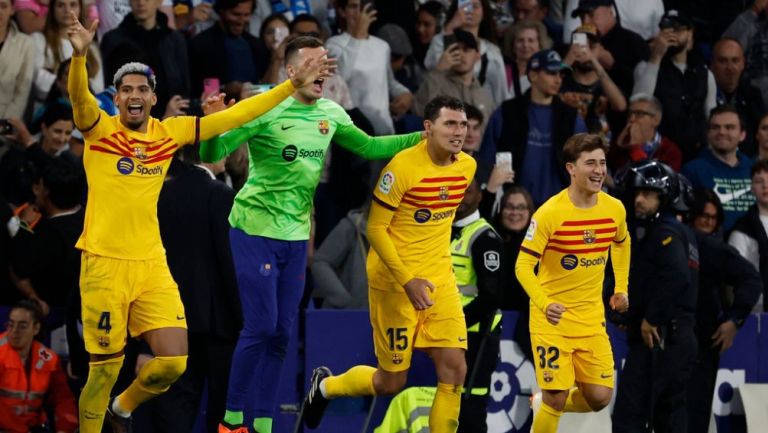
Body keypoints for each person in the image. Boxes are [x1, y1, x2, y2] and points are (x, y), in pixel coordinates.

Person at [65, 13, 331, 433]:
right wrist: (80, 56)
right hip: (103, 264)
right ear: (116, 98)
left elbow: (235, 117)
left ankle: (122, 408)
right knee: (103, 369)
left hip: (151, 264)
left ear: (154, 98)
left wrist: (289, 87)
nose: (134, 96)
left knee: (173, 360)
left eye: (142, 89)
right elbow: (79, 100)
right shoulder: (99, 131)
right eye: (126, 90)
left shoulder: (167, 134)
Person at [199, 36, 423, 433]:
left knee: (283, 332)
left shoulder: (331, 113)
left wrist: (421, 139)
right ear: (290, 71)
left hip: (296, 233)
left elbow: (370, 147)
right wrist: (214, 122)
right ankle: (232, 420)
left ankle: (265, 424)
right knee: (262, 326)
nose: (324, 70)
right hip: (253, 228)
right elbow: (210, 155)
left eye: (327, 62)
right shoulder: (266, 108)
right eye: (315, 62)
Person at [300, 96, 476, 433]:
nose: (458, 132)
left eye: (463, 124)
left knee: (454, 369)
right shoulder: (400, 169)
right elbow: (374, 228)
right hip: (395, 284)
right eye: (450, 124)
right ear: (428, 128)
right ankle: (325, 388)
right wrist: (408, 280)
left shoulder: (466, 166)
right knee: (390, 382)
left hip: (438, 279)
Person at [515, 133, 630, 433]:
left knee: (599, 397)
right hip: (551, 320)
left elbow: (621, 242)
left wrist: (621, 287)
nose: (598, 170)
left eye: (602, 163)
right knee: (556, 396)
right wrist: (544, 303)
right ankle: (548, 404)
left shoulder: (614, 209)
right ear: (571, 168)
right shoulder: (550, 213)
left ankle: (543, 403)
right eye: (589, 163)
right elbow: (523, 265)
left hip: (591, 320)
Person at [612, 161, 698, 433]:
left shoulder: (665, 232)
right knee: (668, 417)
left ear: (664, 198)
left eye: (648, 194)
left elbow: (676, 277)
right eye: (637, 193)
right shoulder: (684, 233)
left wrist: (650, 318)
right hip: (678, 335)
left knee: (630, 417)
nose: (639, 200)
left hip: (661, 337)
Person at [684, 186, 761, 433]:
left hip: (702, 343)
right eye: (703, 216)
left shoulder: (711, 248)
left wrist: (735, 320)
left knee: (694, 418)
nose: (708, 222)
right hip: (673, 342)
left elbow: (751, 278)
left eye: (713, 217)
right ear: (690, 215)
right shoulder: (677, 238)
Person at [479, 49, 587, 206]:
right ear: (533, 75)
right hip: (515, 207)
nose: (558, 80)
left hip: (560, 206)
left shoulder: (571, 117)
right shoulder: (507, 112)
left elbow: (584, 162)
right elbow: (486, 160)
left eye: (560, 74)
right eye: (551, 73)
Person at [450, 177, 503, 433]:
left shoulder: (485, 238)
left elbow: (490, 297)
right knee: (450, 407)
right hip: (450, 336)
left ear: (480, 196)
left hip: (477, 336)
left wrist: (455, 322)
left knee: (470, 409)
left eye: (467, 192)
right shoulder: (442, 231)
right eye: (455, 191)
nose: (460, 197)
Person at [632, 10, 716, 161]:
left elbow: (711, 115)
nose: (671, 34)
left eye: (677, 29)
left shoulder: (704, 72)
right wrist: (656, 56)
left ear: (690, 34)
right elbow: (639, 103)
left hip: (698, 154)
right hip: (661, 153)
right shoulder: (646, 66)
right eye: (666, 29)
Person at [10, 157, 85, 322]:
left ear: (46, 193)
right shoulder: (91, 220)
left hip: (51, 317)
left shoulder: (45, 235)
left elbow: (18, 269)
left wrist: (23, 225)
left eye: (40, 186)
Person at [327, 0, 414, 135]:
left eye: (362, 7)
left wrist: (405, 93)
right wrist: (356, 37)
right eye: (353, 6)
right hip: (353, 129)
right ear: (342, 12)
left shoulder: (382, 46)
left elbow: (389, 82)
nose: (359, 13)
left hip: (384, 128)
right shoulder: (334, 44)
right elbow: (339, 80)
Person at [100, 0, 191, 119]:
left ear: (159, 2)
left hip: (174, 124)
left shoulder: (175, 40)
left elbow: (185, 87)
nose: (141, 2)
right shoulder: (113, 40)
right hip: (129, 127)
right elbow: (110, 91)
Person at [0, 299, 78, 433]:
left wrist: (64, 429)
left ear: (36, 328)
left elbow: (63, 399)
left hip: (34, 428)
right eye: (11, 324)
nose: (14, 331)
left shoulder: (49, 360)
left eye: (22, 326)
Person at [682, 105, 755, 231]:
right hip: (710, 246)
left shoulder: (755, 169)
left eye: (729, 127)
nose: (721, 132)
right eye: (716, 127)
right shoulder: (692, 170)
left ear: (742, 135)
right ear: (708, 133)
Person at [425, 0, 508, 105]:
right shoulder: (440, 40)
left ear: (484, 13)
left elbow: (500, 90)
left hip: (482, 110)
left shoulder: (492, 51)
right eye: (465, 5)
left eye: (475, 6)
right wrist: (450, 28)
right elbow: (431, 66)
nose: (470, 10)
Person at [189, 0, 271, 101]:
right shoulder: (202, 44)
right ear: (222, 11)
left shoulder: (257, 46)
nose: (241, 20)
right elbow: (200, 88)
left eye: (246, 15)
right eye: (236, 14)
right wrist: (225, 89)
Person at [413, 29, 496, 124]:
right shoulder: (436, 84)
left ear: (477, 56)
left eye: (466, 49)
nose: (460, 54)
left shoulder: (485, 96)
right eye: (455, 49)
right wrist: (438, 71)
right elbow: (419, 111)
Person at [711, 38, 766, 157]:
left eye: (735, 61)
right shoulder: (703, 93)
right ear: (712, 64)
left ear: (743, 64)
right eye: (723, 61)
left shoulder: (753, 95)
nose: (730, 68)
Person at [312, 203, 371, 309]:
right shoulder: (352, 226)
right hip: (349, 317)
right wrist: (344, 300)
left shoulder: (405, 232)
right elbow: (320, 262)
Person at [729, 158, 768, 312]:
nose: (765, 185)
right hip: (756, 312)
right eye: (759, 181)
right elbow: (735, 277)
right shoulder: (742, 230)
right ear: (751, 188)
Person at [608, 94, 682, 172]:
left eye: (639, 114)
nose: (631, 119)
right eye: (630, 114)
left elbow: (653, 180)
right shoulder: (619, 145)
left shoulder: (670, 151)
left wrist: (634, 149)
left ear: (656, 120)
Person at [0, 0, 35, 120]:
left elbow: (22, 90)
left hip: (5, 121)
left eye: (3, 6)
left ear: (12, 9)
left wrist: (6, 123)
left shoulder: (25, 44)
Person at [502, 19, 550, 99]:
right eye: (520, 40)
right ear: (513, 46)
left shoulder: (545, 73)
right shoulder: (502, 72)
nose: (525, 45)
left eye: (531, 41)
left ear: (540, 45)